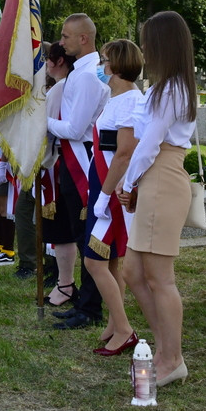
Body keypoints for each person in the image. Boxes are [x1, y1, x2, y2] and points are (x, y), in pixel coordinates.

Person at [116, 11, 197, 387]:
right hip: (155, 177)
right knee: (133, 271)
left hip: (161, 175)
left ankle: (171, 357)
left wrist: (129, 183)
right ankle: (166, 351)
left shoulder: (172, 89)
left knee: (160, 278)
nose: (144, 47)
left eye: (148, 40)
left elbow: (149, 144)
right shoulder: (167, 87)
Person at [48, 13, 110, 330]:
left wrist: (41, 122)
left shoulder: (88, 76)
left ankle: (90, 309)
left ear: (83, 38)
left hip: (82, 160)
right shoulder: (84, 72)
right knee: (78, 231)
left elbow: (74, 128)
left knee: (86, 234)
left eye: (67, 36)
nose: (62, 41)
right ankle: (84, 302)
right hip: (75, 157)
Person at [83, 39, 144, 356]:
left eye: (104, 59)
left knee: (93, 261)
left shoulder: (132, 101)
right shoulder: (116, 98)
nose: (100, 65)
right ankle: (113, 322)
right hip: (103, 185)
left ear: (116, 65)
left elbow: (123, 153)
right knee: (111, 260)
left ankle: (124, 329)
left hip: (114, 191)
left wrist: (105, 196)